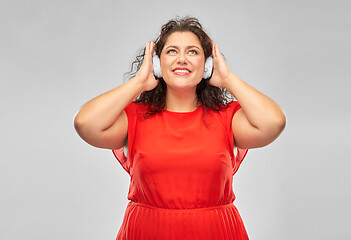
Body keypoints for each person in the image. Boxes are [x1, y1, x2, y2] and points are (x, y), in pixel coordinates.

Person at [74, 16, 286, 240]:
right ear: (157, 63)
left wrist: (227, 78)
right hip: (147, 231)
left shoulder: (227, 117)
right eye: (172, 51)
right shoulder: (134, 117)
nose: (182, 59)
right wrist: (138, 83)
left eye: (193, 52)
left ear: (207, 64)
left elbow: (274, 122)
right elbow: (85, 123)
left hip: (216, 232)